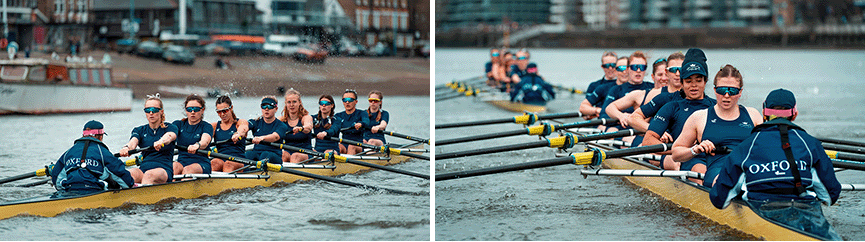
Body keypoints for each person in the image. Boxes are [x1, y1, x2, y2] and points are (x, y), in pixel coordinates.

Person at [709, 89, 842, 241]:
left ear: (764, 114)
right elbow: (830, 195)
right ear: (794, 114)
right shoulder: (811, 144)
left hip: (760, 207)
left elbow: (720, 200)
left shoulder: (745, 147)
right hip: (806, 210)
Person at [670, 64, 763, 186]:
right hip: (717, 173)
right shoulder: (699, 117)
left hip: (748, 168)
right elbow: (676, 153)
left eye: (732, 91)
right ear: (714, 90)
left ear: (740, 92)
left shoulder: (753, 115)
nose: (726, 95)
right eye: (721, 90)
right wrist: (695, 150)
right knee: (727, 180)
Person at [641, 48, 717, 170]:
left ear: (705, 81)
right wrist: (680, 151)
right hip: (686, 160)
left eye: (698, 81)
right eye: (688, 81)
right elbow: (648, 141)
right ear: (681, 83)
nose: (693, 85)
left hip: (714, 159)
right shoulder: (672, 107)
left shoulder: (716, 106)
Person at [50, 120, 134, 197]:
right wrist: (130, 186)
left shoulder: (68, 152)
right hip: (94, 191)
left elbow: (56, 178)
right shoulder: (102, 152)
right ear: (100, 137)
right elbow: (119, 172)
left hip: (70, 190)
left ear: (83, 135)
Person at [604, 57, 669, 146]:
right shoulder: (641, 94)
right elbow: (610, 108)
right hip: (641, 137)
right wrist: (621, 116)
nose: (664, 78)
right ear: (653, 77)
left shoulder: (678, 96)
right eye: (660, 75)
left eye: (666, 75)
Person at [120, 94, 178, 185]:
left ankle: (140, 198)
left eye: (154, 110)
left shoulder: (170, 128)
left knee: (149, 175)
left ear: (161, 111)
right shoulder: (139, 130)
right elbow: (133, 142)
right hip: (143, 169)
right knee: (127, 174)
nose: (151, 113)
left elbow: (170, 136)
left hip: (164, 170)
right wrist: (126, 148)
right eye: (147, 110)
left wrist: (161, 141)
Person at [628, 52, 686, 134]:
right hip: (658, 140)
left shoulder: (693, 94)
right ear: (667, 72)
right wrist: (656, 131)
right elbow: (636, 121)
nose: (677, 73)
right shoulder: (656, 94)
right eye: (673, 70)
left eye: (681, 70)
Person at [598, 51, 655, 132]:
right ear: (628, 69)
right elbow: (604, 115)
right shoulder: (616, 90)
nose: (638, 70)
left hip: (645, 130)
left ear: (645, 70)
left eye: (642, 67)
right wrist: (621, 116)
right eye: (634, 67)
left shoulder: (652, 88)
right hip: (623, 131)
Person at [172, 94, 214, 176]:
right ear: (185, 110)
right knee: (173, 167)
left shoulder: (206, 126)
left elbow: (205, 141)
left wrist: (197, 145)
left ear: (202, 110)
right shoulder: (178, 124)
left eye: (196, 109)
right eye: (189, 109)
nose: (192, 112)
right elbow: (170, 135)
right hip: (181, 162)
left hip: (201, 163)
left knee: (187, 170)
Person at [210, 95, 249, 173]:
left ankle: (227, 184)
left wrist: (238, 134)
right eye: (219, 112)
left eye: (225, 111)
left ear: (231, 108)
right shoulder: (214, 126)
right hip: (221, 159)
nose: (222, 114)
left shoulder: (240, 122)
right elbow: (204, 136)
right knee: (214, 163)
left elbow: (243, 128)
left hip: (239, 161)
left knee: (228, 164)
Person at [245, 96, 288, 164]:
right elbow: (245, 126)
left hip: (274, 157)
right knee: (248, 154)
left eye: (270, 106)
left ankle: (259, 172)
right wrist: (239, 133)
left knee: (265, 154)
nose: (266, 109)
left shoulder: (282, 125)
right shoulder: (256, 121)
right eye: (264, 106)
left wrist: (261, 138)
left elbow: (275, 137)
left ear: (276, 109)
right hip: (258, 155)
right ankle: (246, 172)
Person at [279, 89, 313, 163]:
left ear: (299, 102)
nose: (291, 105)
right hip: (287, 152)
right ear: (286, 103)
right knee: (281, 155)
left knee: (295, 156)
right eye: (289, 102)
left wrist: (301, 128)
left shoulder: (306, 117)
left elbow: (308, 127)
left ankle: (289, 173)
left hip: (305, 153)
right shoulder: (281, 120)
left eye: (294, 102)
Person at [336, 89, 364, 154]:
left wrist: (361, 123)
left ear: (356, 101)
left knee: (351, 146)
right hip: (344, 145)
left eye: (350, 100)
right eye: (345, 100)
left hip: (358, 145)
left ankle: (348, 164)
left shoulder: (362, 113)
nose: (347, 102)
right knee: (337, 146)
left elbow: (366, 121)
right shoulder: (338, 115)